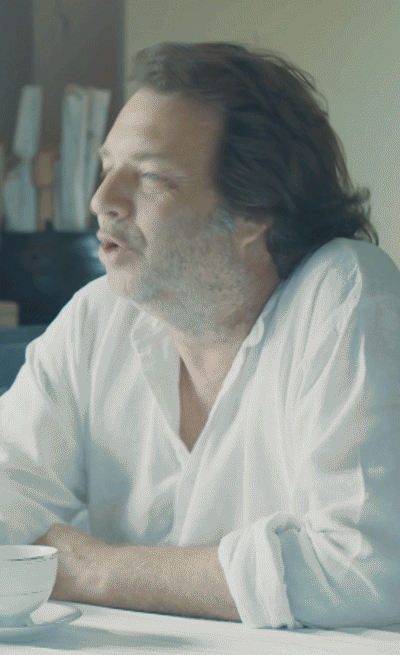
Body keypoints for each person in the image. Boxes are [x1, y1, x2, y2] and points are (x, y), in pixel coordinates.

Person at [1, 41, 400, 630]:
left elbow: (366, 570)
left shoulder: (346, 293)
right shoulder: (97, 316)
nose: (102, 200)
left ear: (253, 211)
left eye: (151, 177)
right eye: (108, 167)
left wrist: (92, 569)